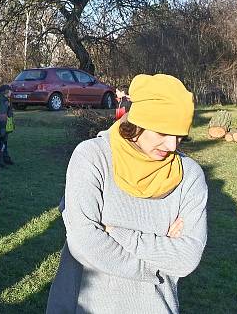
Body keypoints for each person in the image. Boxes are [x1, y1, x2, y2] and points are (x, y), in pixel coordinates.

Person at [46, 74, 208, 313]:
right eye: (163, 133)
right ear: (139, 122)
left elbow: (186, 258)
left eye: (179, 136)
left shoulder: (189, 175)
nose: (172, 146)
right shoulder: (93, 158)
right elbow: (84, 242)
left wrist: (116, 232)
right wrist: (154, 264)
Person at [0, 84, 15, 166]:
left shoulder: (2, 99)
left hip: (2, 126)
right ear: (6, 92)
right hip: (3, 127)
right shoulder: (4, 101)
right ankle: (0, 161)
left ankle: (5, 158)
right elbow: (2, 116)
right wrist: (2, 130)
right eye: (10, 91)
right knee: (2, 144)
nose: (11, 92)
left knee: (4, 143)